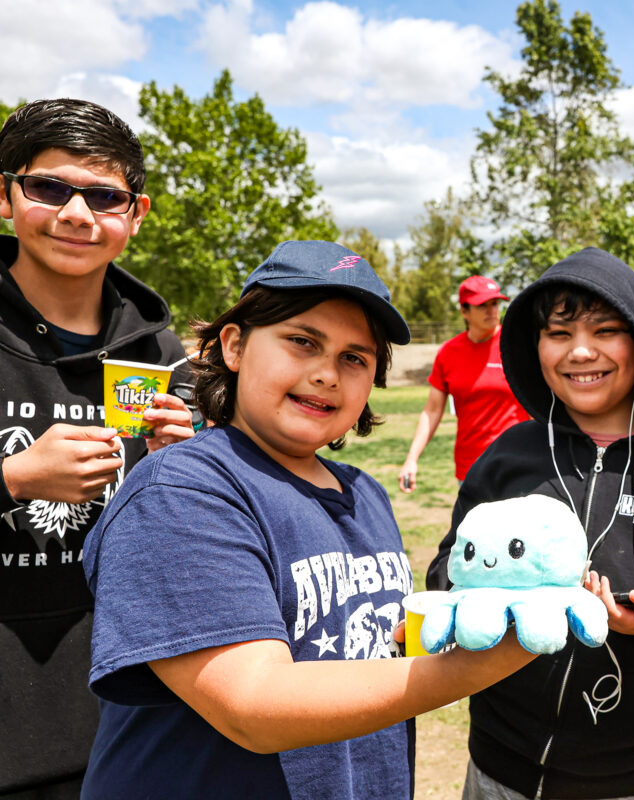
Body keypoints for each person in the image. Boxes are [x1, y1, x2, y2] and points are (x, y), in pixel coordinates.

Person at [80, 241, 535, 799]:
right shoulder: (181, 491)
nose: (326, 374)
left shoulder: (366, 493)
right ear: (234, 346)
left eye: (355, 358)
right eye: (302, 341)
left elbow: (371, 651)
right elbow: (254, 705)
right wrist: (474, 667)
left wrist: (499, 608)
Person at [427, 247, 634, 799]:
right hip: (500, 768)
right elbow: (446, 569)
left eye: (606, 330)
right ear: (535, 345)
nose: (581, 352)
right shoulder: (507, 456)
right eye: (559, 332)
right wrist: (500, 602)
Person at [0, 98, 197, 798]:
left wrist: (186, 463)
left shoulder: (158, 349)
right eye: (49, 187)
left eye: (104, 196)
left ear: (135, 214)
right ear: (5, 195)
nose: (77, 215)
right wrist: (15, 478)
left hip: (130, 721)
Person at [399, 275, 528, 492]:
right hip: (470, 469)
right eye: (482, 305)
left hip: (516, 465)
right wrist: (411, 459)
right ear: (464, 311)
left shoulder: (516, 346)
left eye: (495, 303)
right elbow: (431, 411)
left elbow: (539, 407)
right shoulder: (449, 353)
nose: (492, 310)